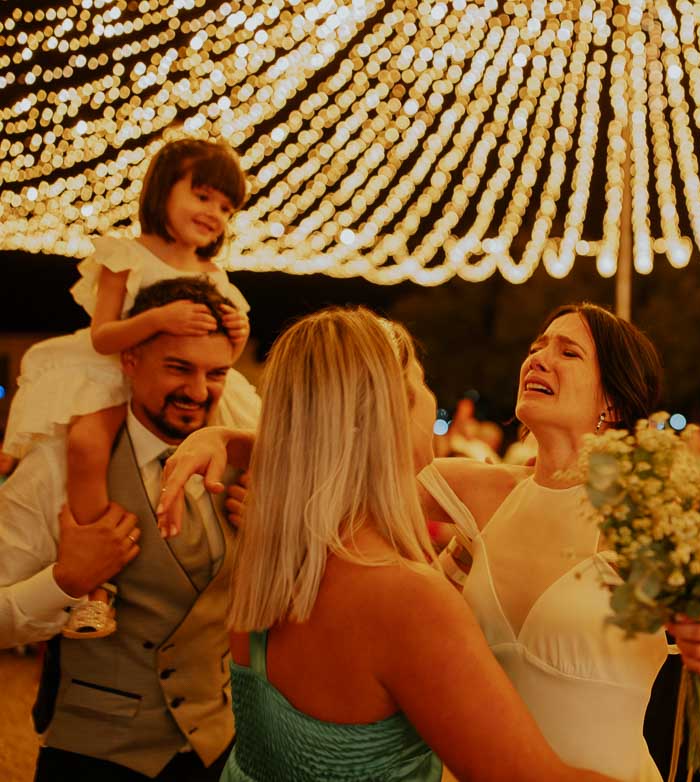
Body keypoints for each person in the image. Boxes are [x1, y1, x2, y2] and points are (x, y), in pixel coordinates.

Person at [162, 302, 700, 782]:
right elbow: (346, 461)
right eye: (537, 345)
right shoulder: (475, 491)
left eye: (567, 352)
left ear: (612, 400)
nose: (538, 357)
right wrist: (234, 442)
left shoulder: (652, 517)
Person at [217, 307, 637, 782]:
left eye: (568, 351)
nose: (539, 359)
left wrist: (228, 440)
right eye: (421, 386)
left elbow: (312, 442)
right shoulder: (407, 599)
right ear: (387, 416)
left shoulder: (267, 562)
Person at [1, 137, 259, 639]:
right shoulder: (126, 255)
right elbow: (103, 336)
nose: (214, 214)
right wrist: (156, 320)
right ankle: (96, 585)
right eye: (203, 196)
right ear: (163, 190)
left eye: (226, 208)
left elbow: (230, 338)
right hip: (106, 373)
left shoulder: (214, 273)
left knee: (249, 442)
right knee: (86, 445)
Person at [0, 277, 246, 780]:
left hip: (220, 754)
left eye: (216, 372)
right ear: (129, 361)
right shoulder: (56, 468)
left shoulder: (248, 472)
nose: (198, 391)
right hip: (93, 757)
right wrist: (65, 582)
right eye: (179, 368)